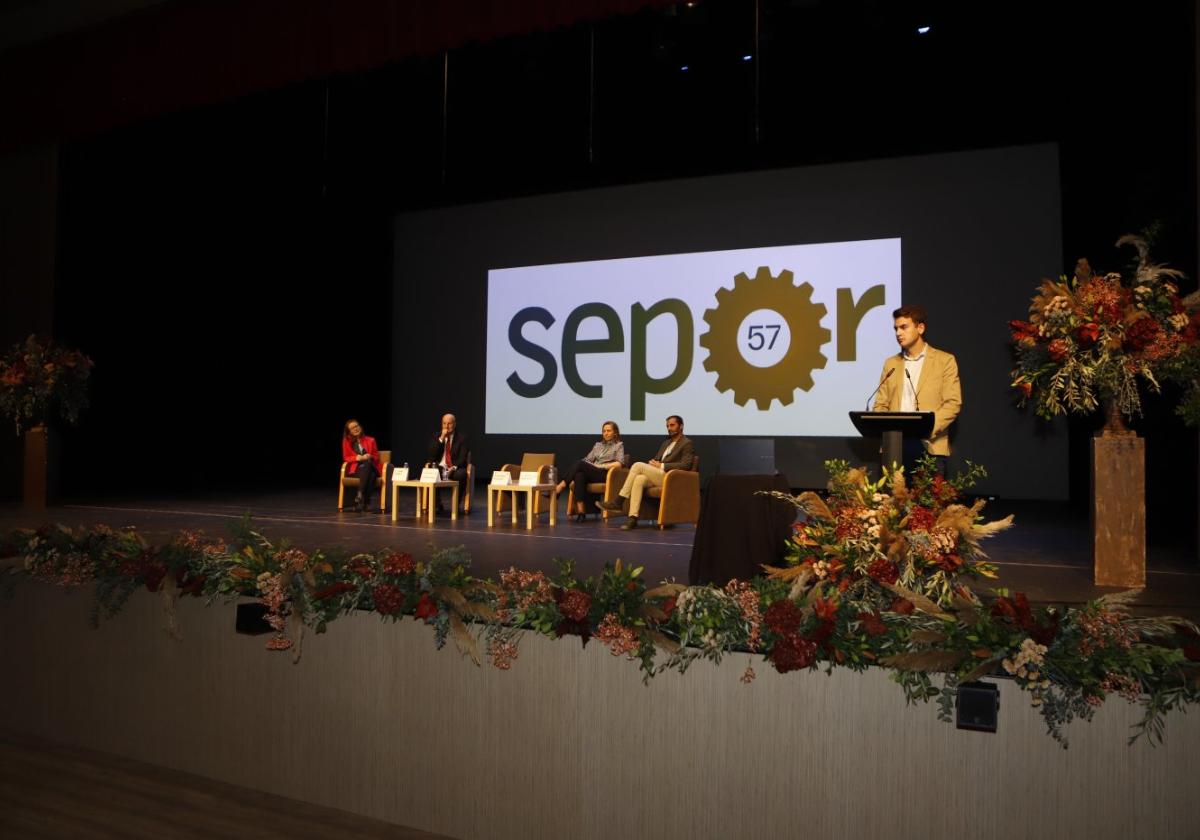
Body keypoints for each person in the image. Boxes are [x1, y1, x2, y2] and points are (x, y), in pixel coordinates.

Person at [872, 305, 961, 477]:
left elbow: (953, 403)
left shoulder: (945, 361)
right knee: (891, 503)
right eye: (896, 328)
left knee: (928, 504)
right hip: (895, 447)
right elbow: (881, 404)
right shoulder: (891, 364)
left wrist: (927, 428)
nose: (898, 333)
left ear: (920, 328)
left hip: (930, 445)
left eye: (904, 327)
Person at [597, 415, 694, 530]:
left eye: (672, 425)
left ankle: (619, 500)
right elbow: (658, 458)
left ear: (681, 426)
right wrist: (653, 463)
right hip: (659, 475)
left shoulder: (687, 443)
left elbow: (686, 465)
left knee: (637, 465)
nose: (669, 428)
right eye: (667, 426)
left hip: (671, 478)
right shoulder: (666, 443)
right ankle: (633, 518)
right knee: (639, 479)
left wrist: (662, 465)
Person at [556, 421, 628, 522]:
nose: (606, 433)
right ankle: (581, 512)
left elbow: (619, 464)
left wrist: (600, 466)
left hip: (606, 474)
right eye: (604, 431)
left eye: (608, 431)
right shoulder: (598, 445)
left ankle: (561, 486)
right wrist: (588, 465)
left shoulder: (619, 445)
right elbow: (587, 459)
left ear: (615, 433)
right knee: (579, 474)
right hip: (594, 472)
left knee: (580, 464)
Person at [426, 413, 471, 514]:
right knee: (432, 471)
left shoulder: (462, 438)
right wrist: (441, 438)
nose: (446, 426)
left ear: (454, 424)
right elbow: (431, 456)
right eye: (444, 423)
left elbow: (463, 457)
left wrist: (453, 467)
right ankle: (437, 503)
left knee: (462, 474)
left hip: (455, 468)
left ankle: (456, 504)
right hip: (440, 467)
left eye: (449, 423)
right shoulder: (436, 436)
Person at [342, 419, 386, 513]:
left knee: (368, 464)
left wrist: (370, 456)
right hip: (356, 470)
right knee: (372, 475)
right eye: (353, 428)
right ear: (349, 431)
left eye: (357, 426)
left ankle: (360, 494)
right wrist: (358, 458)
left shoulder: (371, 440)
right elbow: (346, 457)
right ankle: (366, 503)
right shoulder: (347, 441)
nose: (356, 429)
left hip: (370, 466)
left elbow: (376, 457)